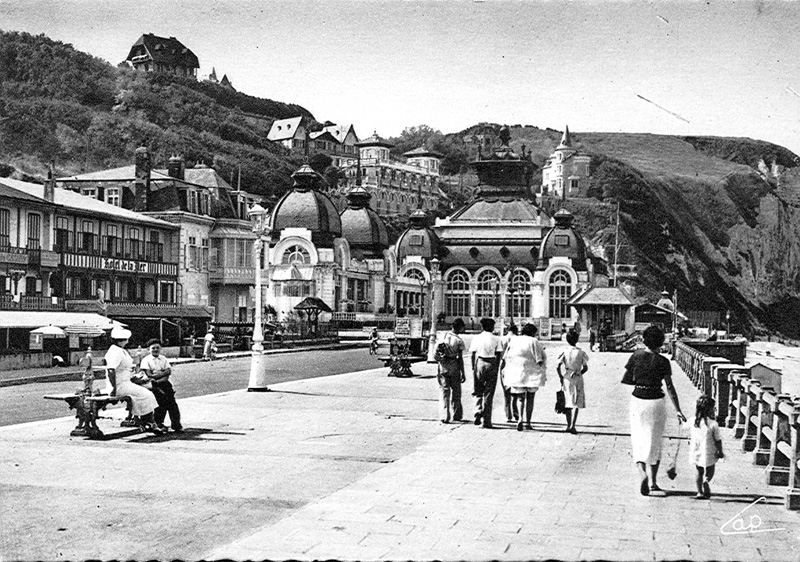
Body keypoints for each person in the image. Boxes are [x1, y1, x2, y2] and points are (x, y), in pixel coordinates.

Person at [622, 325, 686, 496]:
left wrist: (642, 378)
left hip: (638, 400)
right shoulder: (663, 361)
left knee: (638, 439)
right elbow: (670, 387)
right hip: (656, 401)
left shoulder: (636, 356)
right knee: (655, 441)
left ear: (644, 340)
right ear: (661, 342)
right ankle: (653, 483)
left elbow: (628, 379)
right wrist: (678, 410)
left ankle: (642, 473)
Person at [104, 327, 163, 434]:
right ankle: (150, 422)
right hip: (119, 385)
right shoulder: (116, 351)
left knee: (150, 389)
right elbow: (111, 370)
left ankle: (145, 420)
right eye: (125, 339)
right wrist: (113, 388)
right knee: (147, 395)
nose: (127, 341)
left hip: (126, 382)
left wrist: (136, 378)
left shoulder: (120, 350)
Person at [500, 323, 546, 432]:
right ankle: (528, 422)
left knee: (520, 398)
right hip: (531, 374)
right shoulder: (534, 341)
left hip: (517, 373)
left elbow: (506, 357)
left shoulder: (514, 340)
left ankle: (520, 418)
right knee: (530, 398)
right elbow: (539, 359)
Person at [140, 338, 183, 433]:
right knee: (160, 404)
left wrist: (158, 376)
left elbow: (168, 372)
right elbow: (149, 375)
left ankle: (176, 425)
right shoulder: (146, 360)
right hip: (153, 385)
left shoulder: (163, 358)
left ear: (161, 348)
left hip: (164, 383)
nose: (155, 350)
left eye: (157, 348)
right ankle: (159, 423)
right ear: (149, 349)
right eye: (153, 348)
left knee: (172, 404)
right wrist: (161, 374)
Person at [469, 318, 503, 429]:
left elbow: (473, 354)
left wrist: (473, 367)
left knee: (478, 389)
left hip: (480, 362)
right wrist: (496, 367)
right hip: (492, 362)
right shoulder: (496, 338)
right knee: (489, 393)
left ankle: (477, 410)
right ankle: (487, 420)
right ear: (492, 327)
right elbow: (498, 354)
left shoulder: (477, 338)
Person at [689, 395, 724, 499]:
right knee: (710, 469)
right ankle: (706, 480)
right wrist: (720, 451)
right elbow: (718, 440)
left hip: (696, 450)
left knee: (698, 471)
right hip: (710, 451)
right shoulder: (713, 424)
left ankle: (699, 492)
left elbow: (685, 428)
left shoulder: (693, 421)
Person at [557, 330, 589, 434]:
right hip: (578, 376)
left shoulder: (564, 351)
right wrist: (579, 373)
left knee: (568, 400)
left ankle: (568, 424)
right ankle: (573, 425)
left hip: (567, 377)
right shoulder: (581, 352)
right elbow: (585, 367)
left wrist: (561, 377)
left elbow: (558, 366)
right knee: (577, 400)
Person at [435, 318, 466, 424]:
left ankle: (445, 415)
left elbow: (436, 352)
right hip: (454, 366)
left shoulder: (443, 336)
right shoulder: (459, 340)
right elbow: (460, 358)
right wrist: (463, 372)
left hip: (443, 366)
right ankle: (457, 414)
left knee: (444, 391)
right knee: (456, 392)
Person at [499, 324, 519, 423]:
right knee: (515, 391)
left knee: (506, 393)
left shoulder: (502, 339)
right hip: (516, 366)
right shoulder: (519, 339)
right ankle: (516, 411)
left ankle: (508, 415)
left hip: (504, 365)